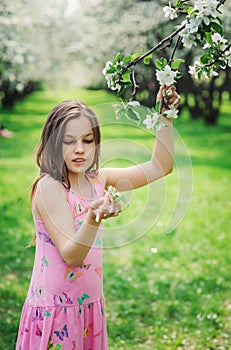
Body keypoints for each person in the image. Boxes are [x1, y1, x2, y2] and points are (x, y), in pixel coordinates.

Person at [16, 84, 180, 349]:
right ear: (54, 141)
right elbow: (72, 255)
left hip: (88, 307)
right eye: (69, 140)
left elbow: (161, 166)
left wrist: (166, 115)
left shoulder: (97, 179)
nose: (79, 149)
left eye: (87, 140)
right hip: (58, 312)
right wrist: (94, 217)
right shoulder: (50, 187)